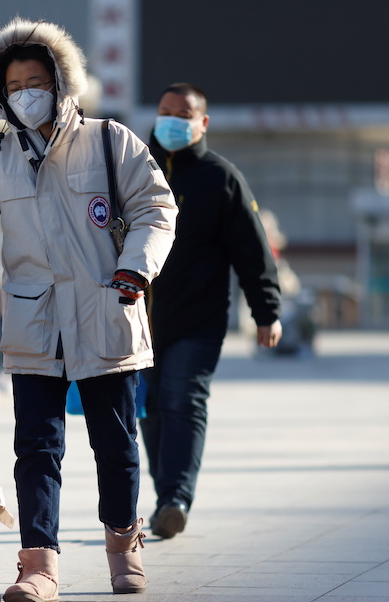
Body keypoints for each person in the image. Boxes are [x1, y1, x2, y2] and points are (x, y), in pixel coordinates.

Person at [0, 18, 177, 602]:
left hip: (108, 309)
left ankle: (122, 546)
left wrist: (135, 267)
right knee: (36, 447)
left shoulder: (110, 142)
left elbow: (156, 208)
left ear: (61, 83)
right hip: (35, 323)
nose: (26, 93)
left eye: (36, 81)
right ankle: (39, 565)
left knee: (115, 442)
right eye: (14, 85)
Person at [140, 82, 282, 540]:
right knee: (151, 410)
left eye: (183, 114)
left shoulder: (222, 178)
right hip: (137, 321)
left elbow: (252, 249)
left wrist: (267, 310)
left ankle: (176, 497)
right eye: (166, 111)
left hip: (197, 321)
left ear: (202, 123)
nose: (172, 120)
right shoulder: (134, 169)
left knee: (183, 401)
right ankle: (167, 498)